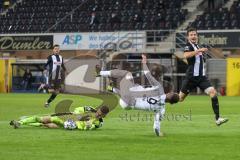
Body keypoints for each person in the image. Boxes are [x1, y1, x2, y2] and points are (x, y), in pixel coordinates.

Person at [96, 54, 179, 136]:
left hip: (128, 98)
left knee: (126, 74)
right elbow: (156, 127)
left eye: (172, 93)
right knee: (130, 85)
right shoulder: (162, 109)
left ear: (170, 94)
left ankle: (101, 74)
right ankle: (112, 88)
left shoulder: (159, 89)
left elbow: (147, 74)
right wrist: (159, 134)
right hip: (128, 105)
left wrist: (144, 63)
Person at [179, 27, 228, 126]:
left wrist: (199, 50)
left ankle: (217, 119)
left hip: (201, 78)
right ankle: (160, 101)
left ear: (197, 36)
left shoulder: (197, 45)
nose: (193, 36)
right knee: (179, 99)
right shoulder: (188, 46)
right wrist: (198, 51)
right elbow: (185, 55)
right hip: (191, 78)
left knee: (213, 92)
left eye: (195, 34)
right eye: (191, 35)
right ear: (188, 37)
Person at [9, 105, 109, 130]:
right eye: (98, 113)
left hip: (70, 126)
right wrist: (79, 116)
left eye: (100, 115)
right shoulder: (90, 109)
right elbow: (78, 109)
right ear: (98, 109)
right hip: (66, 118)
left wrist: (87, 125)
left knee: (47, 125)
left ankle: (22, 123)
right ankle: (20, 123)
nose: (98, 115)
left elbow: (89, 127)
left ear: (104, 116)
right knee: (43, 120)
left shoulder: (99, 123)